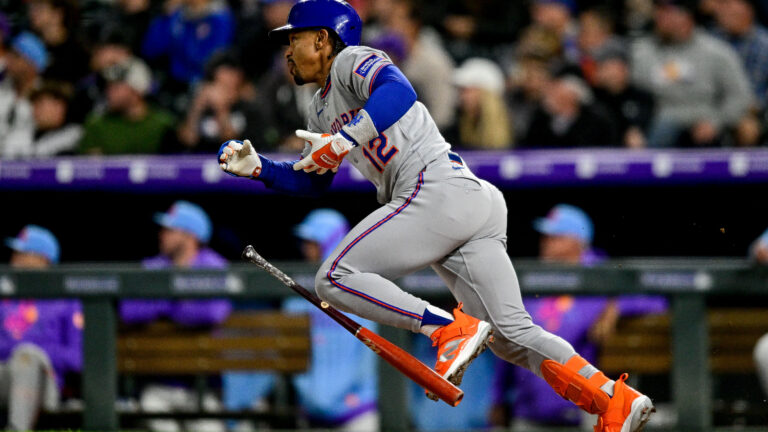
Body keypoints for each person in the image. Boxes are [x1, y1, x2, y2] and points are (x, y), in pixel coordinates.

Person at [217, 2, 655, 432]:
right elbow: (313, 182)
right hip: (465, 203)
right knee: (510, 336)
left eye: (294, 39)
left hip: (434, 187)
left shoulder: (352, 59)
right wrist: (261, 170)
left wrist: (346, 137)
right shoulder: (317, 106)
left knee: (334, 276)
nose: (288, 51)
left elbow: (399, 93)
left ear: (322, 38)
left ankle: (446, 330)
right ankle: (614, 400)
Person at [490, 205, 667, 428]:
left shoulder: (601, 276)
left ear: (577, 241)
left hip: (580, 415)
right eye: (545, 236)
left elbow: (658, 300)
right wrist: (497, 398)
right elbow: (509, 338)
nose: (545, 242)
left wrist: (617, 305)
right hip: (528, 413)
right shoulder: (535, 280)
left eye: (555, 237)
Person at [120, 201, 231, 432]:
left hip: (203, 386)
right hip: (158, 383)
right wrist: (175, 301)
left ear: (190, 236)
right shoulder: (152, 267)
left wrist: (164, 304)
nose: (162, 235)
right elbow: (128, 310)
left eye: (170, 230)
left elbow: (213, 312)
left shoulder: (214, 266)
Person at [285, 209, 379, 431]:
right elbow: (293, 355)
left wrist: (347, 394)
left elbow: (369, 358)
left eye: (314, 241)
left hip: (357, 409)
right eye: (306, 242)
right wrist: (309, 394)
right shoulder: (296, 294)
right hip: (312, 410)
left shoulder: (360, 287)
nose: (307, 248)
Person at [632, 0, 753, 147]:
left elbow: (740, 96)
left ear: (687, 17)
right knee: (665, 125)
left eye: (668, 11)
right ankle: (647, 167)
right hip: (657, 119)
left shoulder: (716, 52)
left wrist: (716, 122)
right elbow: (633, 93)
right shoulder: (642, 52)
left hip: (706, 118)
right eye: (659, 11)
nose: (660, 16)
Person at [2, 225, 83, 431]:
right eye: (15, 253)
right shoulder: (5, 299)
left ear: (43, 260)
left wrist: (35, 351)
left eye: (22, 253)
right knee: (23, 355)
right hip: (5, 376)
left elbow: (77, 358)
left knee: (27, 357)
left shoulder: (66, 300)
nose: (15, 259)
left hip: (48, 385)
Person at [79, 57, 177, 155]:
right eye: (108, 86)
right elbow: (89, 167)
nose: (109, 92)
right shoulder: (97, 124)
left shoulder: (163, 125)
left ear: (136, 91)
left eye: (116, 87)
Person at [177, 52, 265, 153]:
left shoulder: (247, 107)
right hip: (200, 162)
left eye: (232, 75)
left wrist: (221, 109)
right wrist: (197, 108)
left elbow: (232, 144)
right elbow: (188, 139)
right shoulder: (200, 104)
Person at [142, 0, 235, 91]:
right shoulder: (178, 14)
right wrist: (166, 17)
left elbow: (213, 58)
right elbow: (151, 49)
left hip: (199, 81)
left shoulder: (220, 19)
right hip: (169, 76)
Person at [522, 74, 617, 147]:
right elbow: (529, 146)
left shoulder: (595, 121)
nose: (549, 97)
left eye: (556, 93)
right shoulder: (540, 120)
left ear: (571, 97)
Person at [592, 41, 655, 149]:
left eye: (615, 66)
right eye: (606, 67)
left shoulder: (642, 97)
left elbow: (645, 127)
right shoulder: (592, 97)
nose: (611, 73)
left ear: (626, 68)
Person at [0, 32, 48, 159]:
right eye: (9, 53)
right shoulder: (2, 90)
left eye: (16, 56)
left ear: (32, 63)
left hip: (33, 165)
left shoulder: (47, 97)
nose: (8, 59)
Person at [450, 57, 512, 149]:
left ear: (487, 95)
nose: (462, 97)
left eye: (468, 90)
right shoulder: (454, 130)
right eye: (461, 91)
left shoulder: (516, 129)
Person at [30, 81, 82, 156]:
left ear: (59, 106)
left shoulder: (75, 135)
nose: (34, 109)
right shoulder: (25, 133)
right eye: (34, 104)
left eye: (40, 104)